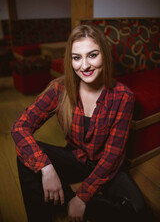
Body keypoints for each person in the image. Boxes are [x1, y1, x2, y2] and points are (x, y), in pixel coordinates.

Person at [11, 24, 154, 222]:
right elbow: (19, 127)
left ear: (104, 54)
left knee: (139, 211)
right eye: (77, 58)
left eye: (93, 55)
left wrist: (82, 196)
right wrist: (46, 168)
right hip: (75, 158)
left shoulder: (123, 97)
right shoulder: (59, 88)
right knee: (26, 157)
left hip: (106, 167)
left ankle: (72, 202)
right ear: (70, 60)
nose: (84, 66)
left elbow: (113, 157)